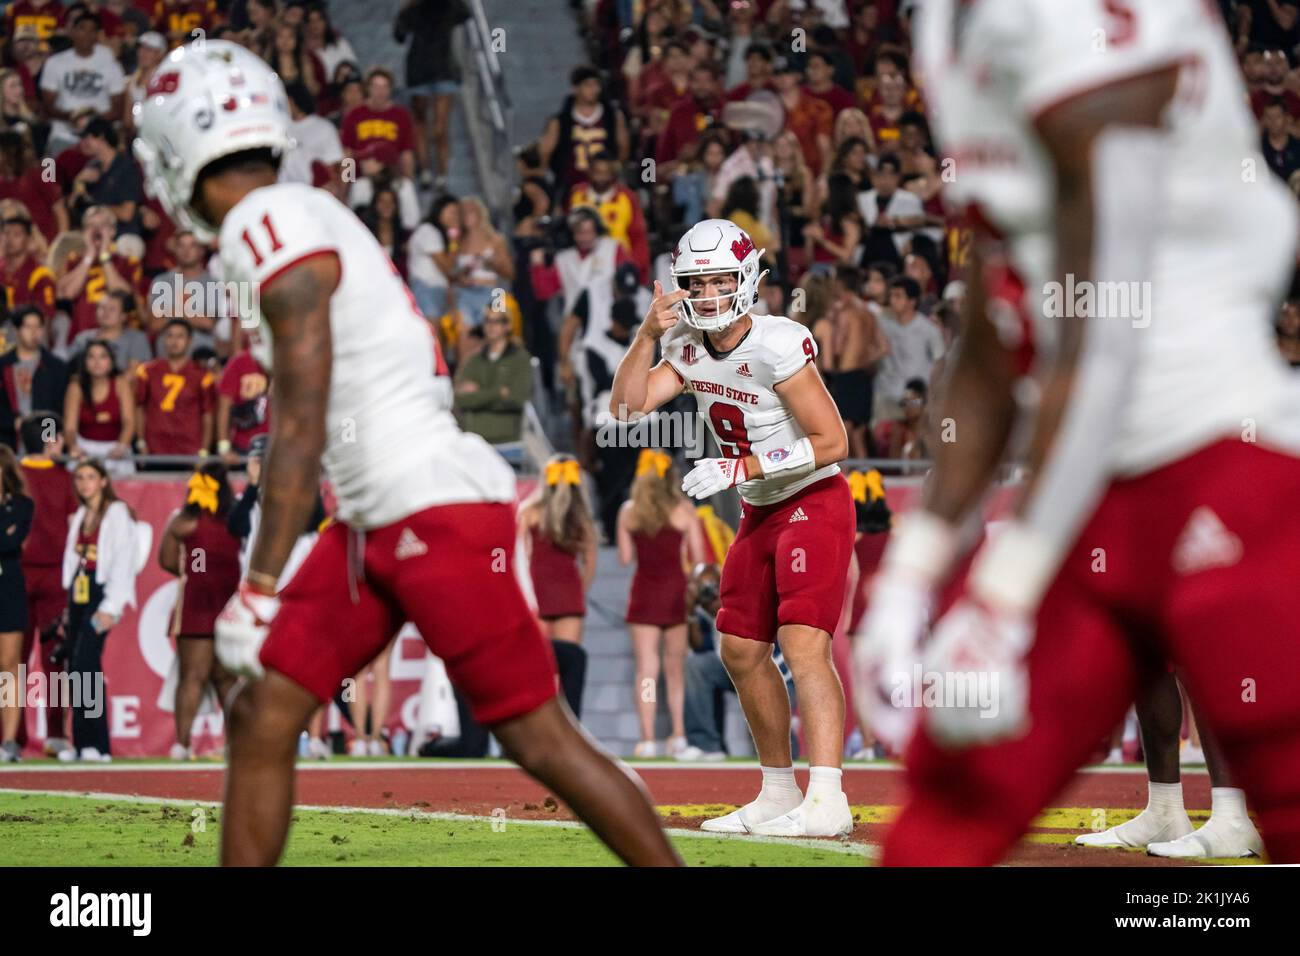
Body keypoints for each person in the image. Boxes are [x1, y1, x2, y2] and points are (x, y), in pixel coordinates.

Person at [133, 41, 680, 866]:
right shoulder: (300, 208)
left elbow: (301, 418)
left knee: (540, 740)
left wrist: (257, 584)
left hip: (428, 507)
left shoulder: (263, 221)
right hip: (374, 517)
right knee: (263, 714)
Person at [855, 0, 1300, 865]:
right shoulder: (948, 21)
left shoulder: (1082, 18)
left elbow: (1108, 329)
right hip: (1091, 496)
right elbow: (996, 327)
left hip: (1223, 466)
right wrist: (909, 578)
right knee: (940, 830)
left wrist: (1004, 587)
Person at [610, 218, 855, 837]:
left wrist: (741, 463)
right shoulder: (686, 344)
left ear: (747, 280)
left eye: (722, 279)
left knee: (803, 645)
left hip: (812, 500)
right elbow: (626, 405)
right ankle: (777, 791)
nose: (711, 293)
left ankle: (828, 798)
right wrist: (645, 337)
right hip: (758, 509)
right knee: (741, 650)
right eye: (699, 281)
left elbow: (833, 442)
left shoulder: (778, 342)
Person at [617, 450, 707, 758]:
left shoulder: (629, 512)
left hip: (644, 594)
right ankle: (678, 736)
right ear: (671, 477)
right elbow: (698, 558)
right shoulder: (684, 510)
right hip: (675, 596)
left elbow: (625, 558)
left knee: (646, 671)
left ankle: (646, 739)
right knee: (676, 671)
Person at [158, 460, 240, 760]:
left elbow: (166, 560)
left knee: (191, 676)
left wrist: (190, 570)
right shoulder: (236, 520)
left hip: (196, 605)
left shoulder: (184, 521)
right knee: (227, 679)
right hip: (230, 607)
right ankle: (234, 746)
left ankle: (182, 744)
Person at [59, 458, 137, 762]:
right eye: (80, 477)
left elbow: (124, 560)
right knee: (75, 668)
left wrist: (111, 606)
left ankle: (98, 745)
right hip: (78, 592)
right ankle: (80, 744)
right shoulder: (81, 514)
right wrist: (68, 605)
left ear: (104, 480)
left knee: (86, 665)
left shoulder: (117, 513)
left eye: (91, 476)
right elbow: (71, 561)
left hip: (101, 592)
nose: (84, 483)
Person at [16, 412, 77, 756]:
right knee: (55, 660)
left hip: (15, 574)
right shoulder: (68, 479)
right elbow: (74, 530)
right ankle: (56, 735)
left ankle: (11, 738)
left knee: (12, 662)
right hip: (55, 575)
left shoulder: (13, 476)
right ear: (49, 439)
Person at [519, 454, 597, 718]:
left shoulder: (530, 511)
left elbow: (518, 555)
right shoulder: (581, 519)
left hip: (539, 595)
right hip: (568, 597)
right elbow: (590, 563)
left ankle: (538, 726)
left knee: (539, 669)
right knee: (568, 669)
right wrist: (579, 590)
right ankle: (569, 728)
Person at [393, 0, 470, 190]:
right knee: (420, 124)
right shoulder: (413, 9)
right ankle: (427, 172)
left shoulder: (449, 6)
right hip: (421, 71)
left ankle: (441, 174)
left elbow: (466, 13)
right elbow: (399, 35)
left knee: (439, 128)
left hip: (442, 70)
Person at [39, 12, 125, 156]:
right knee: (50, 173)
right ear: (72, 32)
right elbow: (48, 106)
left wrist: (92, 123)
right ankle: (51, 176)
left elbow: (118, 107)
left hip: (100, 135)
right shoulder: (55, 63)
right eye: (82, 28)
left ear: (97, 35)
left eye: (92, 30)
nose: (87, 34)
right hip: (63, 133)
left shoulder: (110, 63)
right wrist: (75, 118)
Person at [134, 319, 215, 460]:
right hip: (155, 448)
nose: (174, 341)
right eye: (169, 336)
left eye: (179, 336)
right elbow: (139, 408)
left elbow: (207, 416)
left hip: (190, 449)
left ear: (190, 340)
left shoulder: (202, 376)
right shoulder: (147, 371)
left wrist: (204, 451)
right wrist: (141, 442)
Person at [452, 305, 532, 444]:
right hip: (473, 440)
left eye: (497, 321)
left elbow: (517, 398)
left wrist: (478, 395)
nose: (491, 326)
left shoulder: (520, 359)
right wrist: (498, 392)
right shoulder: (473, 360)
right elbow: (459, 399)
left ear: (508, 326)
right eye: (487, 321)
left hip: (507, 440)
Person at [0, 445, 34, 762]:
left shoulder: (23, 505)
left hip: (8, 587)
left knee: (9, 668)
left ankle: (9, 741)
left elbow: (11, 542)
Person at [63, 339, 136, 475]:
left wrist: (122, 445)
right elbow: (70, 427)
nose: (97, 362)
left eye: (103, 356)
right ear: (85, 362)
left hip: (116, 447)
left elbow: (129, 422)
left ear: (111, 362)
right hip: (84, 448)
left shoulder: (121, 384)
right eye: (91, 357)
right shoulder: (76, 387)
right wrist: (73, 446)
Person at [1, 305, 68, 452]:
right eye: (28, 327)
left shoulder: (56, 367)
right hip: (7, 441)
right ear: (16, 330)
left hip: (43, 440)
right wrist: (13, 422)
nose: (34, 333)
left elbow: (55, 409)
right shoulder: (3, 365)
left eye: (38, 327)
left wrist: (48, 444)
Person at [680, 561, 729, 761]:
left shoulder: (737, 596)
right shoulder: (701, 613)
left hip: (760, 667)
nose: (709, 593)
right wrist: (690, 611)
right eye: (703, 588)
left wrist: (722, 604)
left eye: (713, 586)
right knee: (696, 665)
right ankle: (706, 745)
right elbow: (699, 647)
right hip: (724, 668)